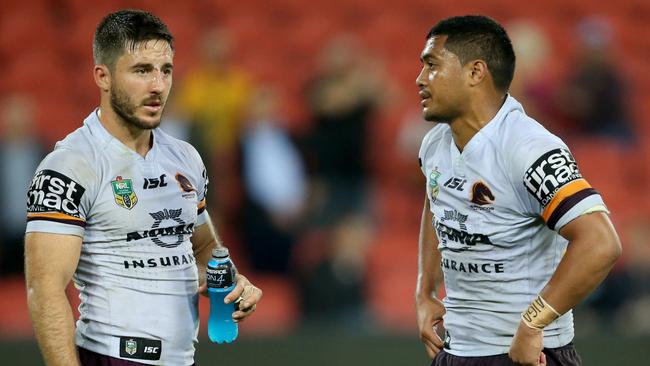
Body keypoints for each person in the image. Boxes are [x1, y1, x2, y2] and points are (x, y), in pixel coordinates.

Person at [24, 10, 262, 366]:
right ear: (102, 77)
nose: (158, 86)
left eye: (165, 70)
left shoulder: (186, 157)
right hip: (112, 357)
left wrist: (231, 281)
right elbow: (44, 290)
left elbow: (203, 247)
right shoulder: (70, 166)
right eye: (141, 70)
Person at [414, 16, 621, 366]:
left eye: (432, 65)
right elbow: (437, 205)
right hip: (457, 351)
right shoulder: (435, 144)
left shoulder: (529, 148)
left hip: (526, 355)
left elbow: (601, 242)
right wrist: (425, 291)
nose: (420, 79)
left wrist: (532, 323)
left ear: (475, 72)